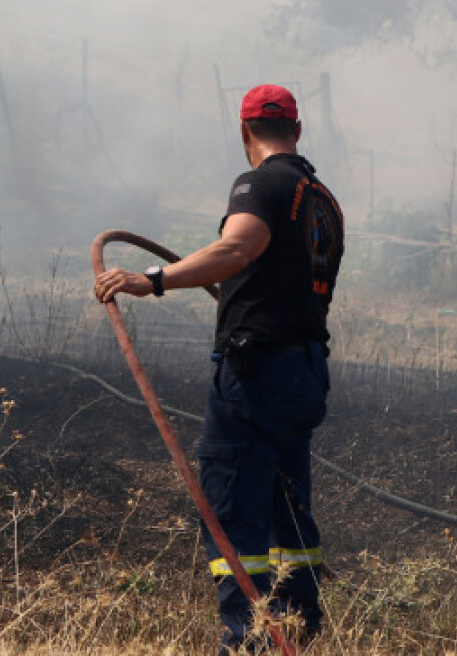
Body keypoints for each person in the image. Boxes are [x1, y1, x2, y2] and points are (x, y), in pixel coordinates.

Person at [94, 84, 344, 653]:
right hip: (304, 371)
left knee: (233, 510)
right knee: (288, 509)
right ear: (298, 130)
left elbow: (237, 248)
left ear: (243, 132)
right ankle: (297, 630)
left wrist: (150, 280)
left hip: (257, 373)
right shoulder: (322, 198)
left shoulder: (259, 184)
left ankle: (249, 641)